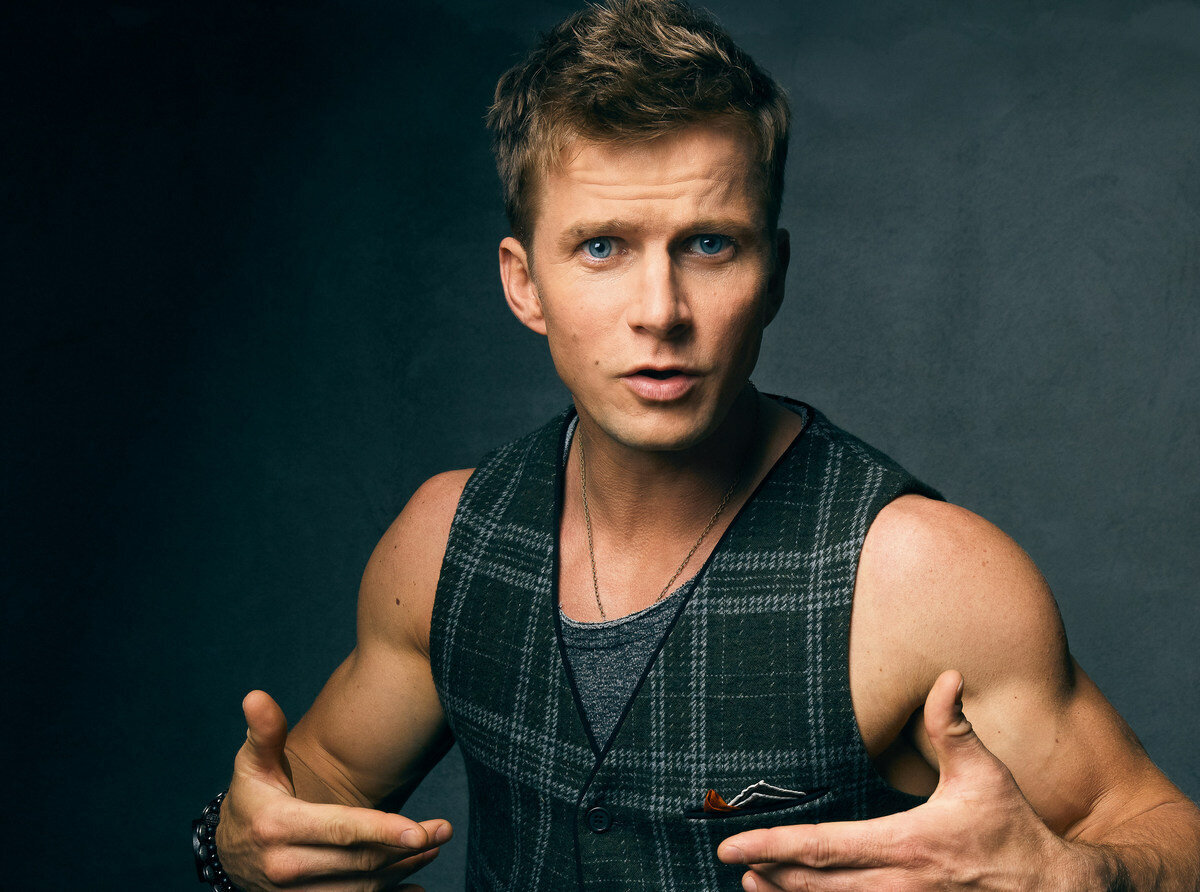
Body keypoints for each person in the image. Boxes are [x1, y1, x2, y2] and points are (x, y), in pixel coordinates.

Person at [192, 1, 1200, 889]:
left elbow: (1163, 833)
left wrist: (1082, 879)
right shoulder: (444, 542)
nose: (661, 311)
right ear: (524, 283)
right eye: (602, 247)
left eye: (710, 244)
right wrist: (233, 844)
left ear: (774, 273)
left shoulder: (920, 577)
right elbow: (309, 794)